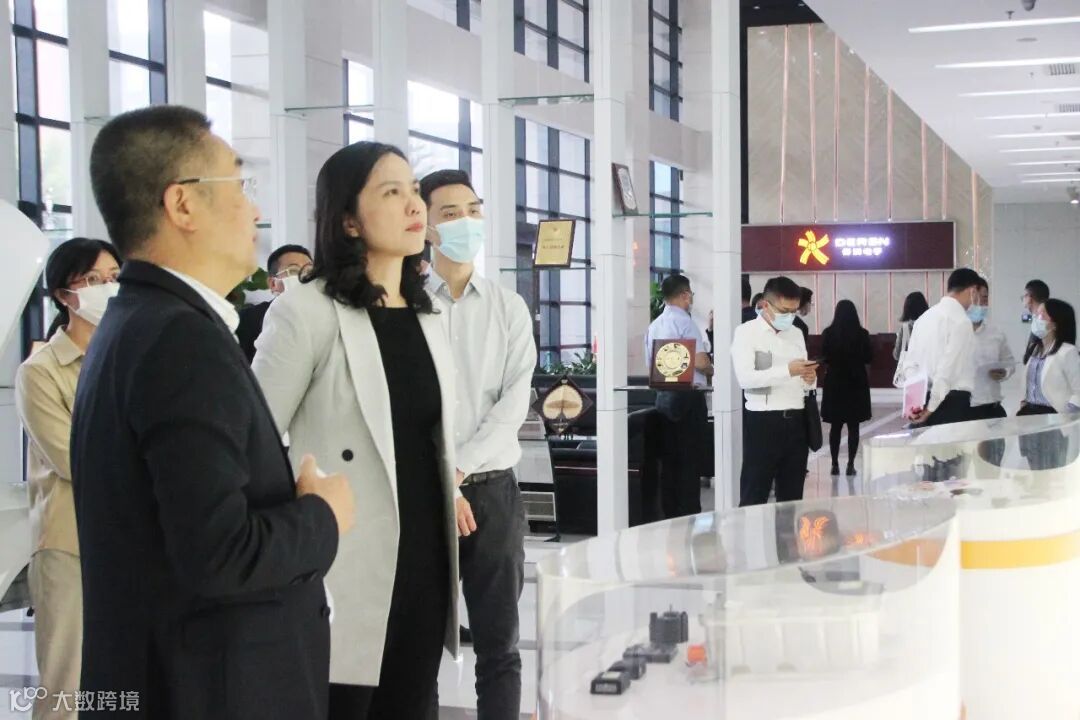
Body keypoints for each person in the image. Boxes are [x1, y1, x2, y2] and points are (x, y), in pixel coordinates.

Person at [71, 105, 354, 720]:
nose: (255, 209)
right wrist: (323, 514)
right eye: (240, 184)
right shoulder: (179, 339)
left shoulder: (135, 322)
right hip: (212, 690)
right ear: (183, 204)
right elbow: (220, 553)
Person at [252, 141, 460, 719]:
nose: (414, 205)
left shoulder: (429, 314)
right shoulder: (306, 311)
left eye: (414, 190)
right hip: (343, 557)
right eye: (391, 192)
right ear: (348, 220)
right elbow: (255, 439)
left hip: (423, 554)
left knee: (411, 703)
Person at [420, 168, 537, 720]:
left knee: (500, 645)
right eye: (449, 213)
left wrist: (458, 470)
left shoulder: (507, 306)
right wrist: (443, 480)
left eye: (473, 210)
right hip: (424, 495)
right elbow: (409, 407)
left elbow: (513, 405)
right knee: (417, 645)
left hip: (492, 494)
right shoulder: (406, 307)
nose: (465, 221)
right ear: (425, 226)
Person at [14, 238, 120, 720]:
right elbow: (73, 459)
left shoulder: (126, 358)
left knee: (122, 682)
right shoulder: (40, 372)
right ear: (63, 294)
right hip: (69, 542)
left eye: (115, 277)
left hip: (129, 539)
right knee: (67, 686)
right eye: (94, 280)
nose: (108, 288)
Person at [731, 276, 818, 506]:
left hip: (796, 421)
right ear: (765, 305)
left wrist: (810, 379)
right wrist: (787, 371)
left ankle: (786, 532)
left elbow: (804, 380)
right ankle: (749, 531)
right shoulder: (746, 333)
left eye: (794, 311)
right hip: (763, 423)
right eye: (784, 311)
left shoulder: (796, 333)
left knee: (791, 498)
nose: (789, 316)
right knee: (754, 493)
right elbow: (746, 379)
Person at [645, 274, 713, 518]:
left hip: (663, 399)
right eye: (691, 294)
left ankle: (669, 514)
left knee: (669, 462)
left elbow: (651, 364)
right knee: (689, 461)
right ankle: (689, 514)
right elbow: (701, 361)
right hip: (688, 399)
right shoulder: (686, 323)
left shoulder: (654, 326)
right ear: (685, 295)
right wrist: (712, 370)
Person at [902, 268, 983, 427]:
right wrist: (931, 408)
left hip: (922, 400)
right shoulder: (961, 321)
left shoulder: (923, 318)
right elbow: (947, 370)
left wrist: (914, 404)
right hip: (951, 404)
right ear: (973, 291)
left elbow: (909, 364)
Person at [820, 300, 872, 477]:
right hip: (856, 383)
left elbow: (824, 357)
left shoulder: (828, 333)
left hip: (835, 383)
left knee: (835, 427)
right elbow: (869, 357)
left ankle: (834, 464)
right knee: (853, 427)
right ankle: (850, 464)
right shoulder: (862, 334)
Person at [236, 244, 313, 362]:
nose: (304, 277)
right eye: (293, 271)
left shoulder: (324, 319)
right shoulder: (248, 319)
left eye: (309, 272)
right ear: (273, 284)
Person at [1019, 299, 1080, 416]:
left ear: (1055, 325)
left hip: (1053, 414)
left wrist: (1066, 415)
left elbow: (1078, 391)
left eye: (1040, 314)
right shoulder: (1035, 349)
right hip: (1028, 412)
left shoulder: (1068, 351)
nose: (1035, 318)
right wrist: (1023, 402)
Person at [969, 280, 1015, 421]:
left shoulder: (996, 332)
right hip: (964, 409)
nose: (980, 303)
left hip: (992, 407)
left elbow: (1009, 362)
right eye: (975, 299)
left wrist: (1004, 372)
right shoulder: (952, 332)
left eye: (984, 298)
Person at [893, 291, 929, 362]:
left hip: (911, 367)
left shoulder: (906, 328)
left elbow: (897, 355)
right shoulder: (932, 325)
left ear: (907, 308)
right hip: (928, 366)